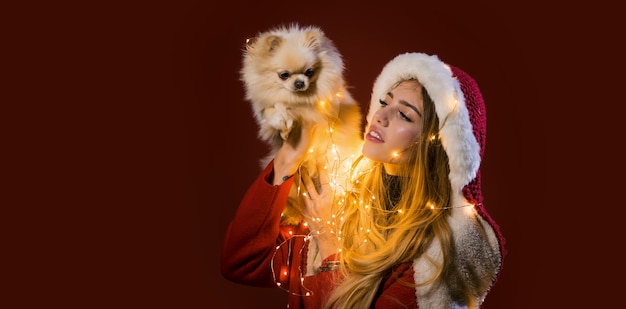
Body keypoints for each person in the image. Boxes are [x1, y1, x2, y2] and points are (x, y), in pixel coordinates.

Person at [221, 52, 505, 308]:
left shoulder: (442, 252)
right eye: (384, 102)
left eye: (404, 114)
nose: (380, 115)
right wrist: (288, 158)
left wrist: (330, 249)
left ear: (436, 144)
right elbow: (244, 262)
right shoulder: (344, 205)